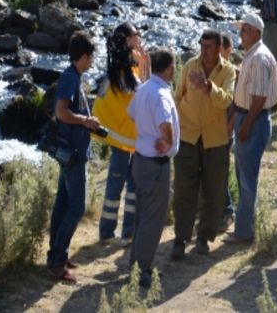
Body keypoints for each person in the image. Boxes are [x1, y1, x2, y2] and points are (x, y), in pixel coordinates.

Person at [171, 30, 236, 259]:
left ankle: (204, 237)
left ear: (219, 48)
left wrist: (208, 87)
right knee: (183, 189)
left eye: (208, 46)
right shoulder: (190, 65)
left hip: (215, 140)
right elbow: (177, 97)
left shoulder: (228, 71)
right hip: (188, 137)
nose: (204, 50)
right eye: (202, 45)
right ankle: (180, 239)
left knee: (215, 191)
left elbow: (227, 100)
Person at [47, 32, 101, 283]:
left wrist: (86, 121)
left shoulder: (72, 76)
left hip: (69, 151)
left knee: (63, 203)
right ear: (84, 56)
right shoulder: (70, 78)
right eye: (91, 57)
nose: (92, 62)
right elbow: (61, 112)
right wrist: (85, 121)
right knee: (77, 207)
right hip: (73, 153)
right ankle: (57, 261)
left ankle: (57, 254)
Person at [224, 14, 277, 245]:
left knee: (247, 180)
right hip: (249, 119)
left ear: (256, 32)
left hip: (252, 121)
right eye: (241, 29)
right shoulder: (253, 55)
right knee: (244, 175)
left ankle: (244, 231)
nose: (240, 33)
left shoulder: (257, 58)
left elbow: (258, 99)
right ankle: (246, 226)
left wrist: (245, 126)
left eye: (245, 30)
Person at [127, 49, 179, 289]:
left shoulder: (143, 89)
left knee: (141, 215)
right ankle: (142, 270)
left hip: (139, 158)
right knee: (153, 218)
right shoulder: (160, 94)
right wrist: (167, 140)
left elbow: (131, 115)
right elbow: (165, 121)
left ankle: (134, 264)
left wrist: (146, 132)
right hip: (155, 163)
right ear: (168, 68)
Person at [93, 23, 146, 247]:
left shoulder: (127, 65)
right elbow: (140, 92)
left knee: (132, 186)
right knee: (117, 185)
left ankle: (128, 232)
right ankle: (107, 233)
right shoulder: (121, 69)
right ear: (127, 39)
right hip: (123, 138)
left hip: (130, 137)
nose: (139, 37)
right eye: (135, 35)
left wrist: (143, 62)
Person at [219, 33, 236, 233]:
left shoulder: (233, 75)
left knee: (220, 173)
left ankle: (227, 211)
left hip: (223, 133)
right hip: (209, 131)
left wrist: (227, 131)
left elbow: (238, 109)